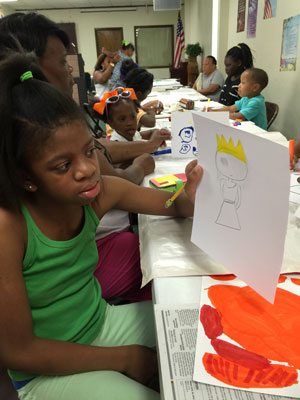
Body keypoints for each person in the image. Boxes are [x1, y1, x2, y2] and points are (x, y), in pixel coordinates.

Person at [0, 51, 203, 400]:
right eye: (63, 166)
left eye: (89, 151)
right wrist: (122, 358)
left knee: (197, 327)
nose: (87, 169)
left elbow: (171, 204)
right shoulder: (10, 228)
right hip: (43, 371)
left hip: (100, 323)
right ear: (26, 178)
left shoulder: (98, 193)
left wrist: (189, 195)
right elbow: (19, 351)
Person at [0, 12, 170, 170]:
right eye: (63, 61)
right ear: (30, 66)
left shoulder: (54, 117)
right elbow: (108, 178)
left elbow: (99, 147)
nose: (70, 68)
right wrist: (140, 166)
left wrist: (148, 144)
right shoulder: (42, 130)